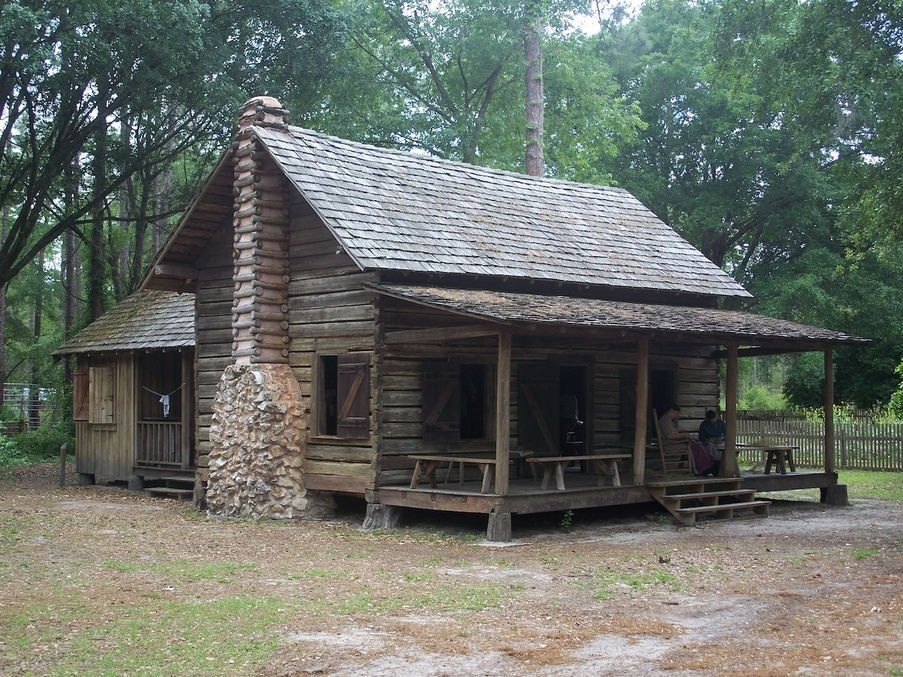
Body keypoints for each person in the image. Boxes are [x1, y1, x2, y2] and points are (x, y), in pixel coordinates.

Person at [658, 405, 719, 476]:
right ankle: (703, 469)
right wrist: (685, 435)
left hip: (675, 443)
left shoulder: (668, 420)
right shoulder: (665, 420)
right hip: (670, 445)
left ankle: (710, 465)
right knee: (696, 447)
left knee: (698, 444)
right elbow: (672, 436)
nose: (676, 416)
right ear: (671, 410)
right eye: (676, 413)